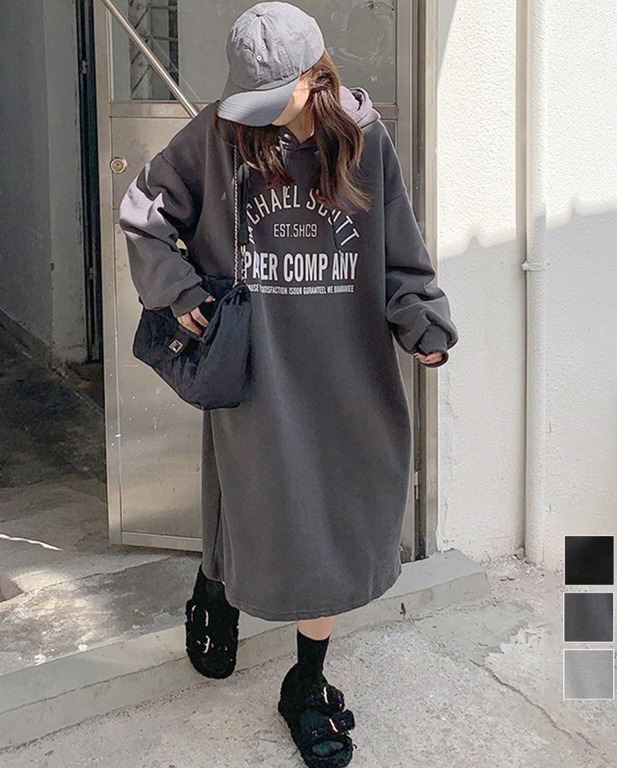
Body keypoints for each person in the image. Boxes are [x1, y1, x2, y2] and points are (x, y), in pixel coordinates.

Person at [118, 3, 458, 766]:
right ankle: (217, 584)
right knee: (250, 498)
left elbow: (400, 253)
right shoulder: (217, 135)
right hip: (256, 367)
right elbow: (144, 214)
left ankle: (305, 685)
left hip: (346, 371)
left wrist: (422, 321)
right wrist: (177, 288)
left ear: (315, 77)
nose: (262, 116)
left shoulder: (363, 140)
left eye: (275, 99)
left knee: (325, 527)